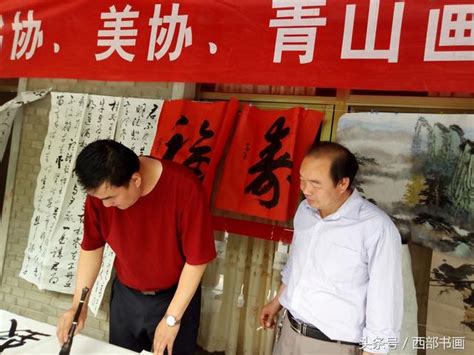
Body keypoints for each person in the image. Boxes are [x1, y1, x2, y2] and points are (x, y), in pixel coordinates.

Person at [57, 139, 216, 355]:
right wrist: (79, 304)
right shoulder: (102, 192)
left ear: (136, 179)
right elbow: (92, 246)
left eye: (111, 197)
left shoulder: (185, 189)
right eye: (100, 199)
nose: (105, 205)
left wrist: (172, 319)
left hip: (174, 296)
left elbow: (197, 260)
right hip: (126, 296)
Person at [260, 142, 403, 355]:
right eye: (302, 180)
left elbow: (384, 301)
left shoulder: (375, 228)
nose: (305, 190)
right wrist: (277, 301)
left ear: (342, 183)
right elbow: (297, 265)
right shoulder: (305, 211)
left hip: (333, 345)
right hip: (289, 332)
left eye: (315, 184)